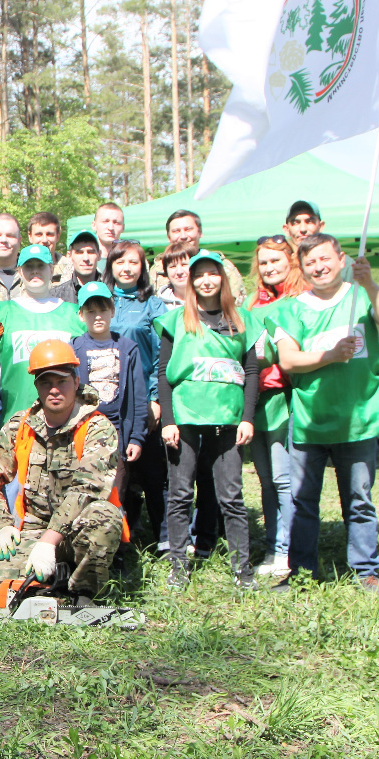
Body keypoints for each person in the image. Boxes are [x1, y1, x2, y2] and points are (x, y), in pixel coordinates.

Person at [271, 234, 379, 591]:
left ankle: (366, 571)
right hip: (310, 419)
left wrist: (370, 283)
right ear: (302, 267)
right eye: (311, 262)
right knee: (302, 501)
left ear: (341, 258)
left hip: (359, 417)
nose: (319, 267)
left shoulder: (363, 296)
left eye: (325, 258)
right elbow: (288, 359)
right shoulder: (292, 308)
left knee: (359, 499)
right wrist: (329, 355)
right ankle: (301, 573)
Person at [0, 340, 123, 607]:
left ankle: (83, 591)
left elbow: (86, 490)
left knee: (105, 515)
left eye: (62, 381)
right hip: (33, 527)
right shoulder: (21, 424)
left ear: (76, 382)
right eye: (46, 382)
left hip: (79, 529)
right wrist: (3, 525)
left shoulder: (98, 428)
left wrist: (48, 542)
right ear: (37, 387)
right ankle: (57, 576)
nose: (54, 389)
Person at [156, 251, 259, 590]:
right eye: (198, 274)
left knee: (231, 496)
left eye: (212, 273)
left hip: (228, 421)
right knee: (181, 494)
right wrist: (168, 420)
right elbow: (164, 374)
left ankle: (242, 571)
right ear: (191, 280)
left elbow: (252, 371)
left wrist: (247, 418)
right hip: (184, 419)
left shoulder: (241, 321)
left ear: (222, 278)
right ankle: (178, 568)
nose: (205, 280)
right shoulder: (175, 321)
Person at [102, 239, 170, 552]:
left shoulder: (153, 305)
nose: (127, 268)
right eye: (120, 262)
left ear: (142, 268)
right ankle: (119, 542)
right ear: (111, 266)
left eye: (133, 262)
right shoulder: (101, 301)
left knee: (155, 474)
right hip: (108, 403)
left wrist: (155, 399)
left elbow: (160, 356)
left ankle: (167, 539)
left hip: (143, 401)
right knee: (114, 475)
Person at [0, 245, 87, 440]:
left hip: (66, 421)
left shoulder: (74, 314)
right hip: (16, 419)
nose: (35, 271)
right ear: (20, 271)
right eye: (29, 267)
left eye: (41, 265)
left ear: (52, 269)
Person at [245, 235, 305, 575]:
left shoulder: (299, 300)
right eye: (263, 263)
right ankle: (273, 547)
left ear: (290, 261)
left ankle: (288, 549)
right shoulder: (254, 304)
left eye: (275, 261)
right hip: (259, 401)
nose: (269, 268)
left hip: (287, 398)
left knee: (284, 479)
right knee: (266, 480)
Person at [70, 283, 147, 468]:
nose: (97, 316)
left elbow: (139, 397)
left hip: (118, 431)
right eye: (90, 311)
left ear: (112, 311)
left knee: (115, 490)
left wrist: (136, 437)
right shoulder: (75, 348)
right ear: (81, 315)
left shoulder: (128, 348)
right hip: (84, 430)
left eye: (103, 310)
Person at [149, 210, 246, 305]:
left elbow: (238, 306)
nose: (183, 236)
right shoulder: (157, 270)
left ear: (200, 232)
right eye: (176, 231)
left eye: (188, 229)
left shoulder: (221, 265)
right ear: (169, 237)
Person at [52, 229, 102, 303]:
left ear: (99, 255)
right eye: (79, 252)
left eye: (91, 252)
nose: (86, 258)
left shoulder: (111, 293)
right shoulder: (56, 297)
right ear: (69, 256)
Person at [154, 241, 195, 309]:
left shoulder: (209, 302)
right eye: (173, 266)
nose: (179, 272)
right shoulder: (157, 306)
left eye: (184, 264)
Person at [28, 212, 65, 282]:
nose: (44, 240)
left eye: (49, 234)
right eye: (39, 234)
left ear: (58, 236)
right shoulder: (19, 268)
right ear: (30, 236)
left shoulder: (70, 269)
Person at [92, 202, 126, 266]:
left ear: (123, 228)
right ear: (94, 225)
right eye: (105, 221)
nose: (111, 227)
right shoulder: (80, 260)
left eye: (116, 223)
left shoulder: (133, 260)